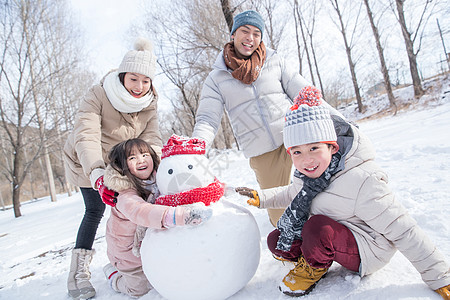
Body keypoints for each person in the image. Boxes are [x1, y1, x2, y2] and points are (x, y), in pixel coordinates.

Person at [236, 86, 450, 298]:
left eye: (314, 148)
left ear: (332, 147)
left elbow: (404, 230)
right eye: (297, 152)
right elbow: (291, 193)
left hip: (368, 248)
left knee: (316, 227)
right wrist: (261, 198)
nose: (306, 160)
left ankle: (315, 267)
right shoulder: (308, 176)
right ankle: (318, 254)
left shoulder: (361, 180)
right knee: (279, 239)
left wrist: (440, 276)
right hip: (334, 236)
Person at [192, 10, 342, 227]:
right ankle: (296, 253)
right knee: (280, 215)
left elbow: (305, 93)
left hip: (296, 139)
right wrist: (196, 148)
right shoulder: (217, 78)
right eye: (245, 31)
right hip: (261, 152)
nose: (250, 38)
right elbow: (207, 118)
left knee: (319, 194)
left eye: (256, 33)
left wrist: (339, 120)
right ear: (233, 34)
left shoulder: (274, 61)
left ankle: (330, 242)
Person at [63, 37, 163, 299]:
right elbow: (85, 136)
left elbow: (152, 138)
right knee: (95, 209)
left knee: (136, 205)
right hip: (87, 160)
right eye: (133, 79)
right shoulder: (99, 93)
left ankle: (135, 255)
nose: (139, 86)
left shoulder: (150, 101)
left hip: (124, 163)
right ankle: (79, 273)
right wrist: (97, 175)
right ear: (122, 76)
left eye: (146, 80)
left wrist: (158, 165)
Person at [101, 138, 211, 297]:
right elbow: (142, 211)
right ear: (122, 166)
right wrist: (179, 216)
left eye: (145, 154)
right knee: (140, 289)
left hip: (150, 244)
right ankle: (113, 276)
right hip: (129, 256)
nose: (141, 160)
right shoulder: (123, 194)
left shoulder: (158, 178)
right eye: (132, 158)